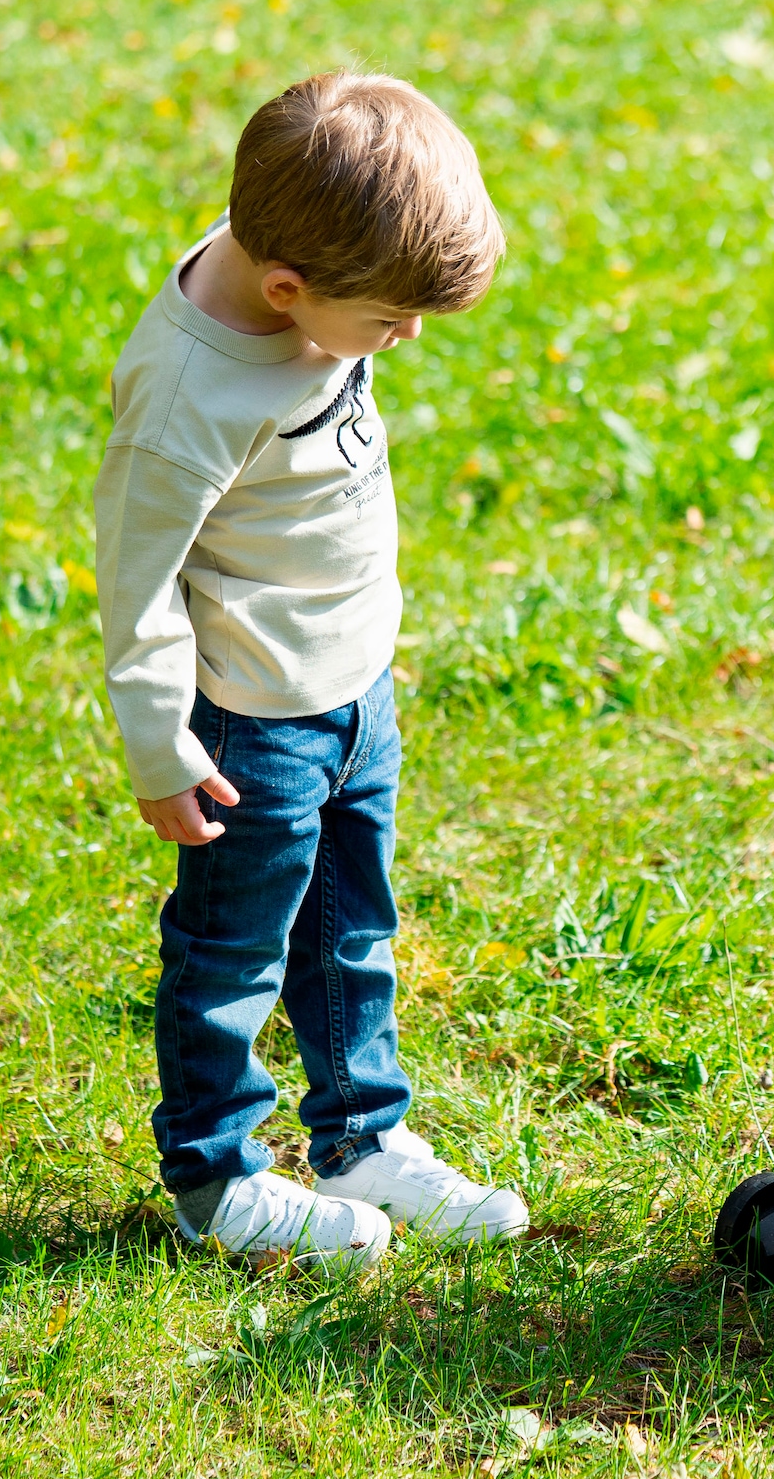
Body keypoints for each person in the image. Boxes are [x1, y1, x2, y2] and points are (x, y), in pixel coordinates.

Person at [96, 72, 529, 1274]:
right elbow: (135, 578)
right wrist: (157, 742)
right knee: (231, 951)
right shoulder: (188, 394)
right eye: (389, 321)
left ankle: (360, 1138)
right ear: (286, 290)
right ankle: (217, 1177)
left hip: (353, 691)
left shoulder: (303, 268)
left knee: (351, 933)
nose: (407, 340)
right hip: (251, 727)